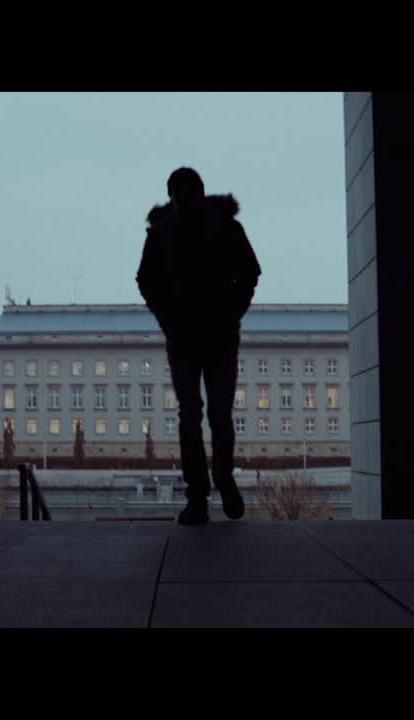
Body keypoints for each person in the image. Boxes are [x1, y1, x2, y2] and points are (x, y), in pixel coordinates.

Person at [137, 167, 261, 524]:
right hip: (188, 338)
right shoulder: (161, 235)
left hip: (214, 336)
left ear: (199, 194)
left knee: (211, 416)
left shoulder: (223, 228)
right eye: (178, 195)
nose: (183, 201)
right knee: (195, 417)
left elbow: (250, 272)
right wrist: (169, 320)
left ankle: (218, 484)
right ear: (172, 197)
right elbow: (146, 281)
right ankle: (200, 494)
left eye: (188, 194)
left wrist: (230, 313)